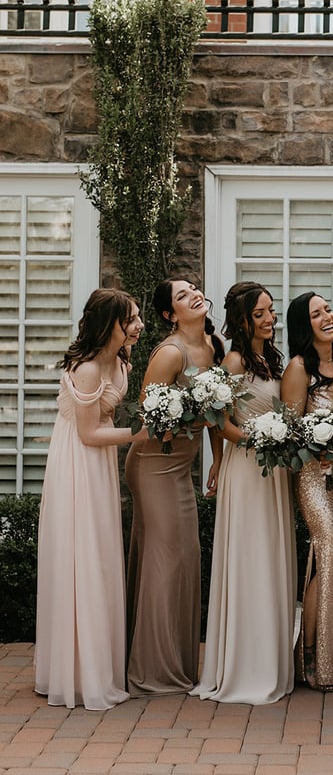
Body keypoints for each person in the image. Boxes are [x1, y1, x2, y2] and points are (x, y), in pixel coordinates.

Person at [35, 288, 146, 710]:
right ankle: (78, 673)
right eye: (131, 319)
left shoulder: (121, 361)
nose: (138, 326)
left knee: (99, 555)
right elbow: (87, 433)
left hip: (99, 466)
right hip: (78, 464)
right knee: (80, 557)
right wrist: (140, 435)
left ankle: (97, 662)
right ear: (110, 324)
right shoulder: (85, 370)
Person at [193, 281, 297, 704]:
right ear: (243, 320)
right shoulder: (234, 360)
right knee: (249, 557)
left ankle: (270, 660)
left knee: (271, 557)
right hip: (247, 467)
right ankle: (244, 665)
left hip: (272, 472)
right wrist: (254, 443)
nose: (270, 319)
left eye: (271, 311)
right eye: (260, 314)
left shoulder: (270, 360)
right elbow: (217, 421)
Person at [125, 278, 224, 696]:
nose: (193, 295)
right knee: (166, 561)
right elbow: (150, 416)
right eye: (182, 296)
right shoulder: (170, 352)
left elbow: (219, 407)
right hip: (154, 466)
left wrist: (217, 457)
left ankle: (178, 662)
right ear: (170, 314)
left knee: (184, 557)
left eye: (194, 289)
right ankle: (154, 669)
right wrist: (190, 417)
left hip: (181, 468)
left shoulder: (214, 347)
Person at [281, 292, 333, 692]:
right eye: (316, 314)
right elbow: (290, 434)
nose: (327, 316)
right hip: (315, 477)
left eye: (328, 308)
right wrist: (318, 447)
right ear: (303, 326)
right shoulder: (298, 368)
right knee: (329, 555)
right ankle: (310, 654)